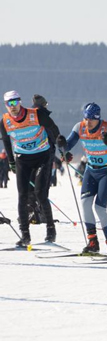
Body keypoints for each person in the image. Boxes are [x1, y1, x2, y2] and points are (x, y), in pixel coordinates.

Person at [58, 102, 107, 256]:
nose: (87, 122)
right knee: (85, 204)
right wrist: (61, 145)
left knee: (100, 208)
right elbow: (67, 145)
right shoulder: (79, 127)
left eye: (91, 119)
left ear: (98, 118)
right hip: (91, 170)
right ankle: (93, 242)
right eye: (86, 118)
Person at [1, 90, 60, 246]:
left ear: (20, 101)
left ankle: (51, 230)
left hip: (42, 157)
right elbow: (6, 142)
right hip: (23, 160)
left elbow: (53, 127)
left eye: (15, 102)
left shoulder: (35, 114)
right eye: (9, 103)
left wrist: (60, 141)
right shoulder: (5, 121)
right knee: (22, 196)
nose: (13, 106)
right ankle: (25, 235)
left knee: (40, 193)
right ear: (5, 105)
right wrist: (11, 162)